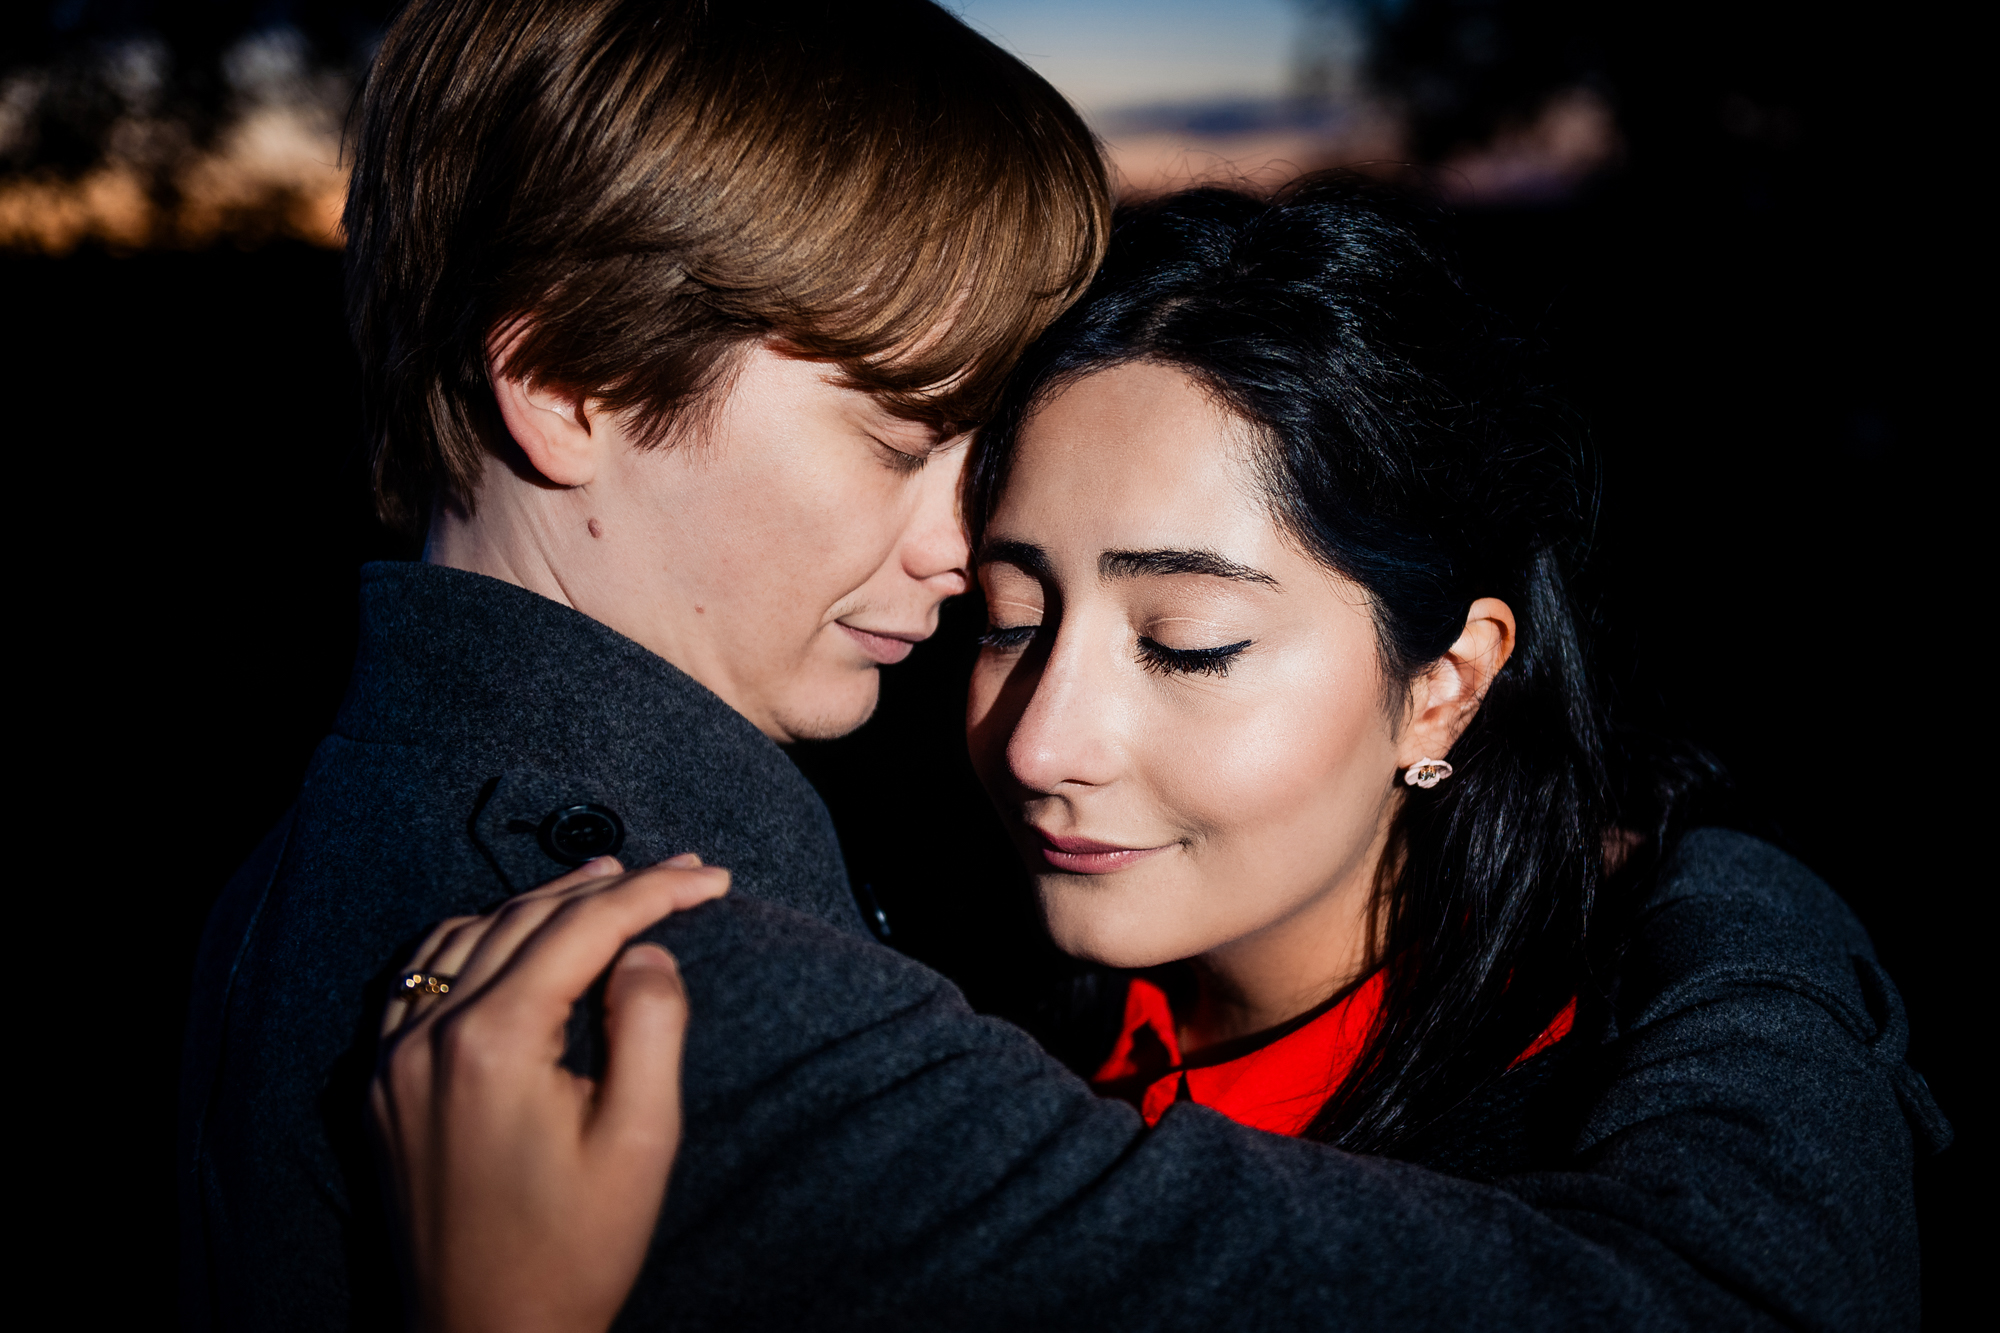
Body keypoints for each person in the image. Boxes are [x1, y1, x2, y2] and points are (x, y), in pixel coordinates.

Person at [181, 0, 1941, 1327]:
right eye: (896, 434)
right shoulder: (643, 985)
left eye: (1188, 637)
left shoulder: (354, 829)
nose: (958, 571)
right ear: (566, 380)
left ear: (1451, 678)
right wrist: (1743, 895)